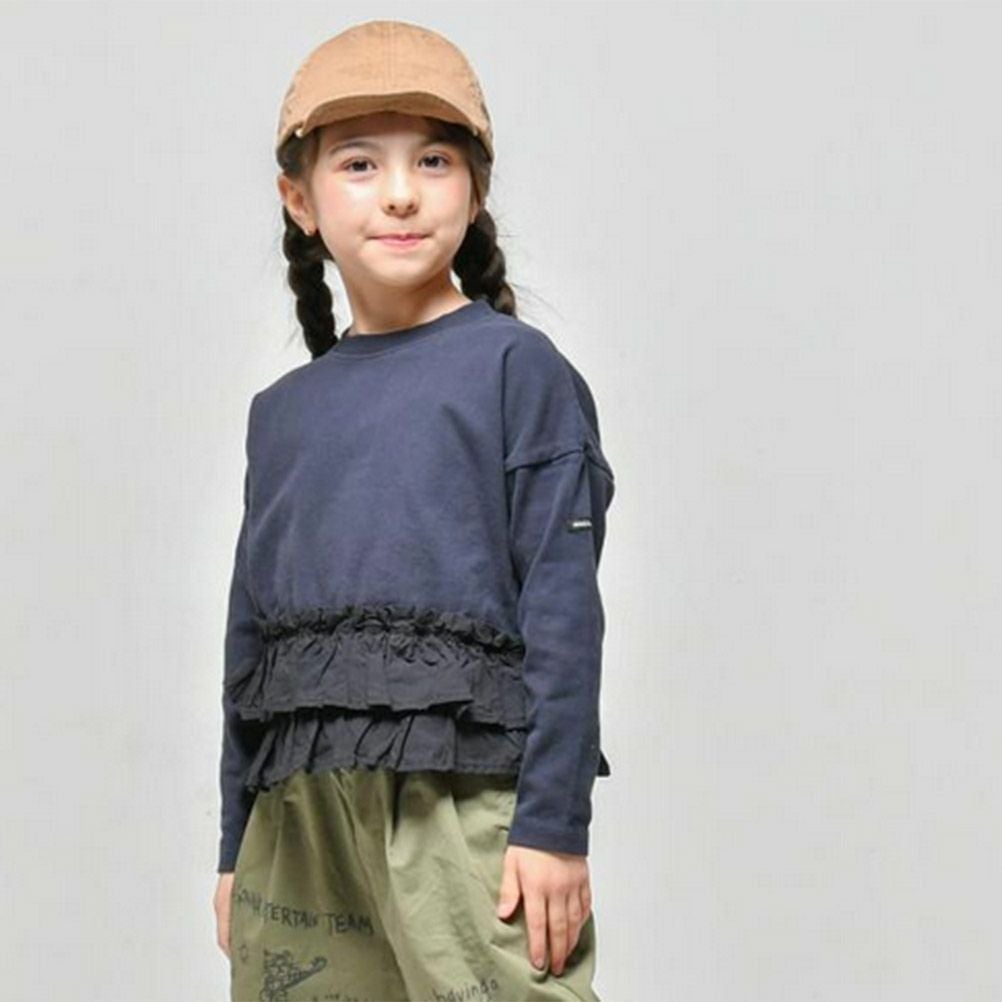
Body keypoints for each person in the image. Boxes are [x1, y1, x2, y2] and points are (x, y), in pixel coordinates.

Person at [210, 18, 616, 1002]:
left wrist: (552, 824)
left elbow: (563, 611)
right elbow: (249, 643)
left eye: (433, 160)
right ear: (299, 199)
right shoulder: (283, 412)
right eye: (359, 163)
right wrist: (233, 846)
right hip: (299, 820)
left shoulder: (518, 371)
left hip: (460, 802)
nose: (400, 192)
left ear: (474, 190)